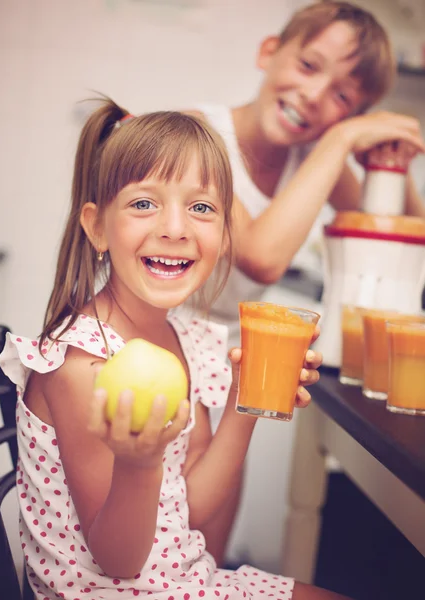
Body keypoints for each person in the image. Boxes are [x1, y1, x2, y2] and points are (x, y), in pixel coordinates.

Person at [0, 98, 352, 600]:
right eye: (144, 203)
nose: (175, 228)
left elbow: (193, 509)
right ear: (97, 226)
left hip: (182, 582)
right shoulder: (83, 365)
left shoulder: (186, 342)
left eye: (202, 208)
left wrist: (245, 402)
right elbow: (117, 562)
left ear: (225, 233)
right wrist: (139, 463)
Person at [180, 0, 425, 564]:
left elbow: (393, 228)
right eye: (309, 66)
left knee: (204, 559)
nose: (315, 96)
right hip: (157, 347)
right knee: (169, 537)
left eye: (342, 97)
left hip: (221, 362)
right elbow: (260, 258)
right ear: (270, 53)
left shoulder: (313, 153)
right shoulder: (197, 135)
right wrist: (342, 140)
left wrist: (394, 166)